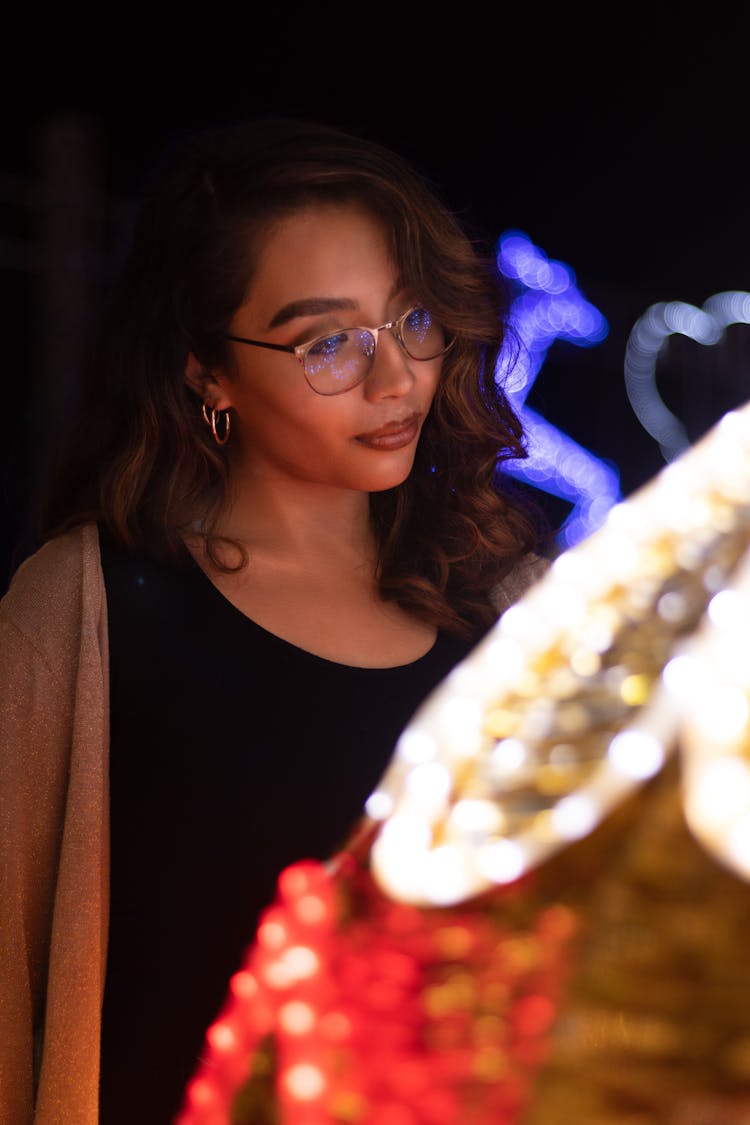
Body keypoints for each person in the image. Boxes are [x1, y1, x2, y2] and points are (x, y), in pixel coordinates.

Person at [0, 115, 550, 1124]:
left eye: (415, 319)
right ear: (205, 369)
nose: (395, 380)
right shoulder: (83, 614)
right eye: (327, 342)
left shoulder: (506, 606)